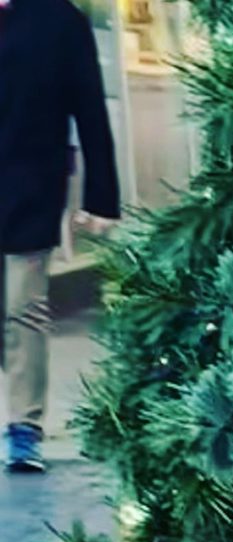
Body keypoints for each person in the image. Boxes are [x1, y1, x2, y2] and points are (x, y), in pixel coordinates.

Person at [0, 0, 122, 475]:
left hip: (30, 186)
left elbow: (90, 108)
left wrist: (102, 197)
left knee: (22, 308)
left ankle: (24, 428)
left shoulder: (59, 20)